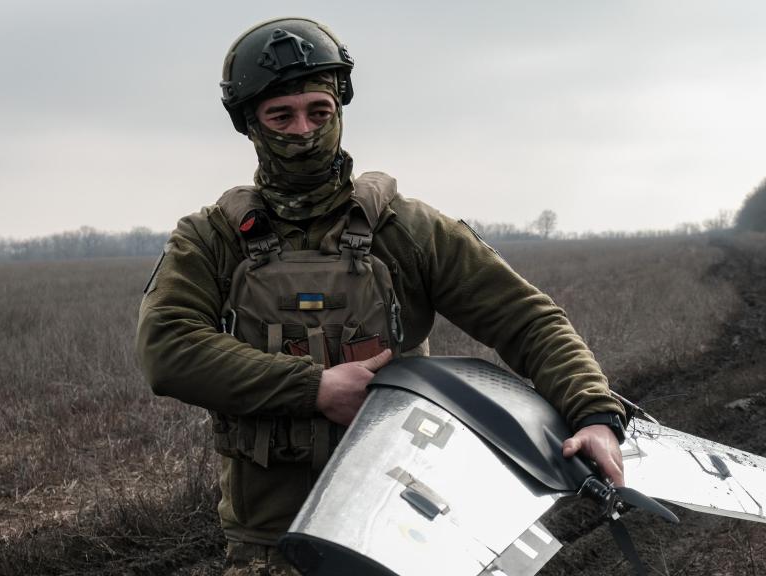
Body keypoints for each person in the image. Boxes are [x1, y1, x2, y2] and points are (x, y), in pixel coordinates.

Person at [136, 17, 627, 575]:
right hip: (269, 542)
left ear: (340, 109)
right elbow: (166, 348)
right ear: (250, 123)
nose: (304, 131)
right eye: (281, 116)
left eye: (319, 111)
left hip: (403, 532)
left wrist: (593, 412)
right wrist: (316, 388)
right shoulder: (212, 238)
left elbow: (527, 320)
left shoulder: (407, 230)